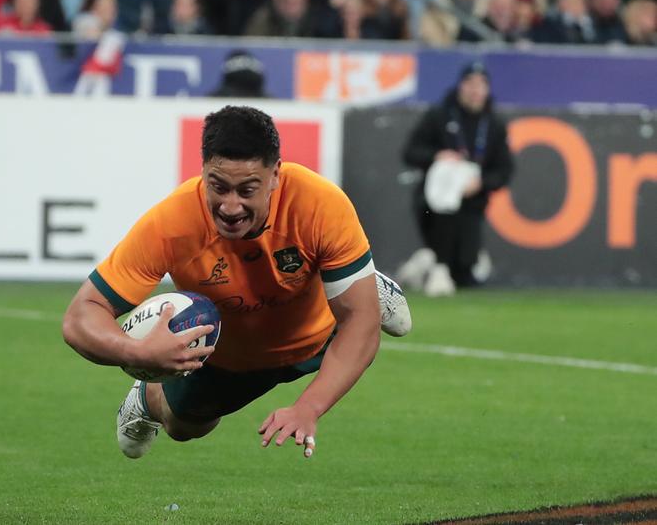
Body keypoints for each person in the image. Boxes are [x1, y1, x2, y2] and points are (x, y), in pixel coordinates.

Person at [63, 106, 411, 460]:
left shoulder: (319, 204)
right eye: (219, 188)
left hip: (320, 330)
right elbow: (81, 316)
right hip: (227, 358)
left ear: (275, 175)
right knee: (184, 428)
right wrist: (138, 353)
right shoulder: (171, 223)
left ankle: (350, 279)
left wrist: (309, 407)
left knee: (358, 310)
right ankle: (145, 396)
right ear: (203, 172)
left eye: (247, 190)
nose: (231, 207)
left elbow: (361, 324)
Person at [398, 61, 514, 296]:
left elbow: (504, 170)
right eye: (470, 84)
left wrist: (481, 183)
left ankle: (426, 262)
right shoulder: (439, 116)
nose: (475, 90)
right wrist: (437, 156)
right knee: (444, 233)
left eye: (481, 85)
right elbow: (410, 152)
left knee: (466, 275)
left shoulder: (494, 125)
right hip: (434, 201)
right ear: (461, 86)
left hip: (471, 203)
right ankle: (438, 266)